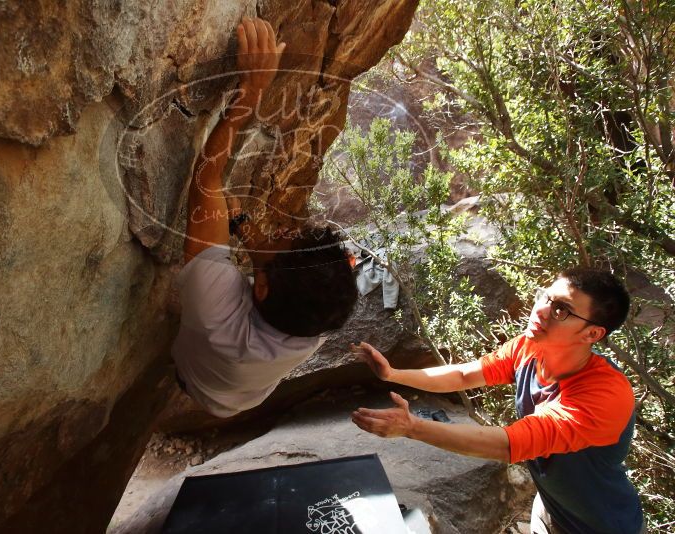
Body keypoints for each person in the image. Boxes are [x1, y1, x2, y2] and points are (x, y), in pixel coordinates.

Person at [351, 268, 644, 534]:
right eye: (545, 297)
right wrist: (392, 374)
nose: (541, 311)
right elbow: (465, 375)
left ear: (592, 333)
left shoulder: (604, 395)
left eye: (561, 310)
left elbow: (509, 445)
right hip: (549, 511)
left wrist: (412, 427)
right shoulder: (529, 348)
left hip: (603, 525)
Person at [171, 17, 358, 418]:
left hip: (196, 378)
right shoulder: (317, 321)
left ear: (260, 289)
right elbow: (277, 262)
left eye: (285, 236)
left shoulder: (213, 309)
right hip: (242, 395)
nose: (286, 226)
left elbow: (206, 178)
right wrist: (241, 229)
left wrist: (251, 92)